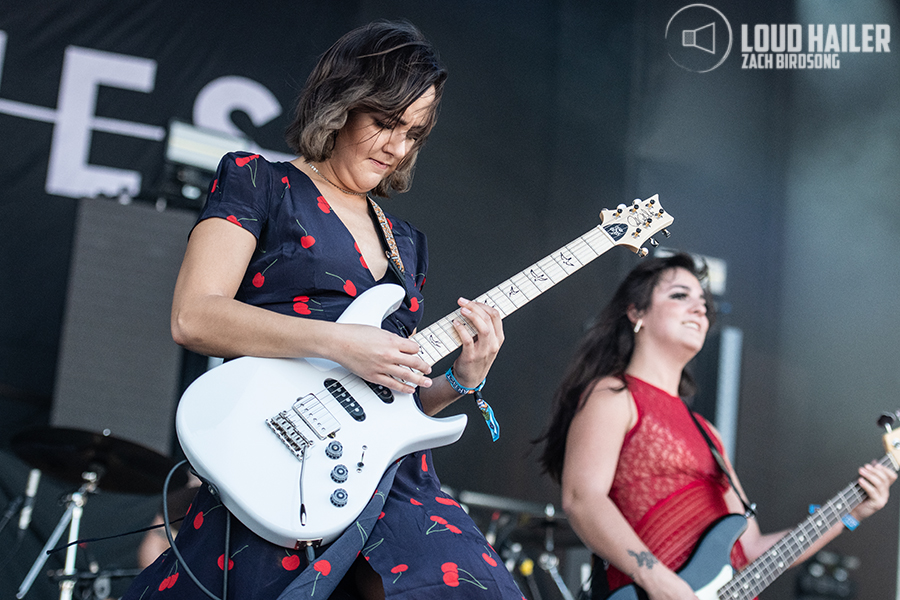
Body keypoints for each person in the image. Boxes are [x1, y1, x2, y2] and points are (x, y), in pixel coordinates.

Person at [121, 20, 522, 600]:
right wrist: (339, 342)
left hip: (389, 477)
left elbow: (395, 401)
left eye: (413, 132)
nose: (397, 147)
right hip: (284, 457)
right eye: (385, 123)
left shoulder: (406, 241)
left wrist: (462, 380)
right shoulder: (257, 181)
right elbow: (194, 316)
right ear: (341, 104)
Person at [537, 252, 896, 600]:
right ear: (636, 311)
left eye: (704, 303)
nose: (699, 308)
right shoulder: (614, 394)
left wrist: (852, 513)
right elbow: (583, 499)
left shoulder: (708, 434)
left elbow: (752, 550)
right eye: (680, 295)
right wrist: (659, 582)